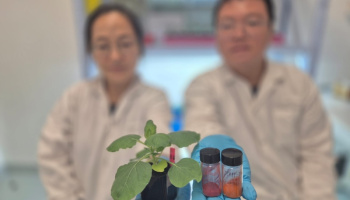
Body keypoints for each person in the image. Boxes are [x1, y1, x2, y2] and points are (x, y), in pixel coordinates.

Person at [185, 0, 336, 199]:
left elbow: (317, 159)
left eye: (253, 22)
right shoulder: (202, 86)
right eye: (228, 25)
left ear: (271, 31)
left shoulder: (300, 84)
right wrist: (211, 142)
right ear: (217, 35)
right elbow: (201, 122)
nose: (239, 34)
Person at [38, 4, 171, 200]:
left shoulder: (154, 99)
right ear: (91, 51)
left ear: (139, 46)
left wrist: (158, 169)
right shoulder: (75, 97)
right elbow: (51, 155)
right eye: (103, 46)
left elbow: (157, 145)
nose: (115, 56)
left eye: (125, 43)